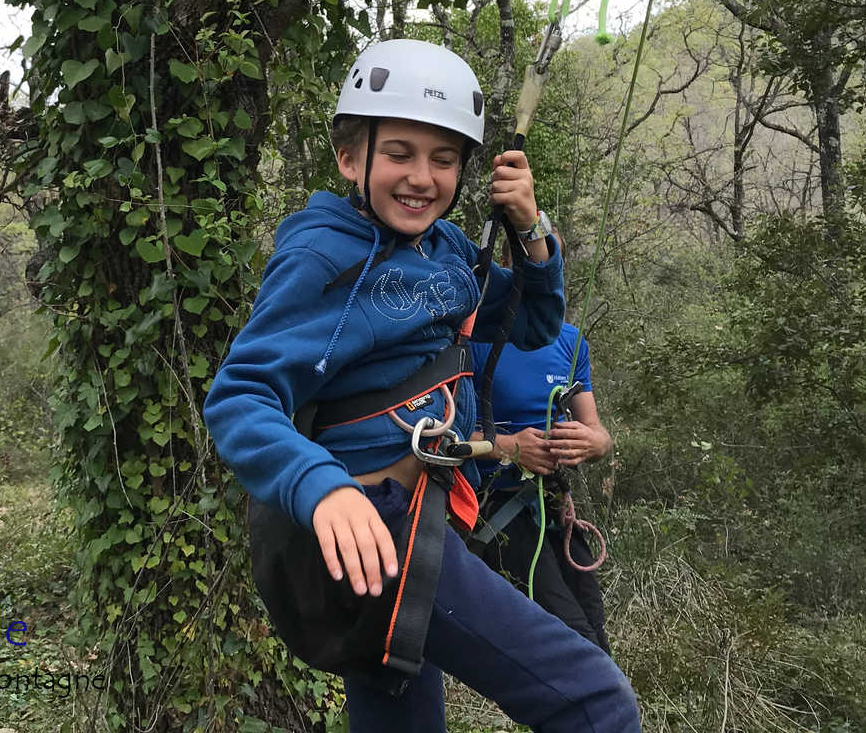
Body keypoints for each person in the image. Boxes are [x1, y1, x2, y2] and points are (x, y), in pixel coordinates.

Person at [204, 40, 640, 733]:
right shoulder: (321, 255)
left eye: (443, 159)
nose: (421, 177)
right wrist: (322, 488)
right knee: (597, 703)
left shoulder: (446, 253)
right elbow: (241, 395)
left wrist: (531, 229)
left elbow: (532, 324)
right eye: (399, 153)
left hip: (425, 519)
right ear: (351, 159)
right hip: (372, 521)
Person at [470, 323, 613, 652]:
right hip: (494, 509)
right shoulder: (472, 336)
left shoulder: (569, 340)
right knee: (573, 640)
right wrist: (509, 447)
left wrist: (594, 443)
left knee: (595, 629)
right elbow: (437, 430)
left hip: (552, 507)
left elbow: (598, 433)